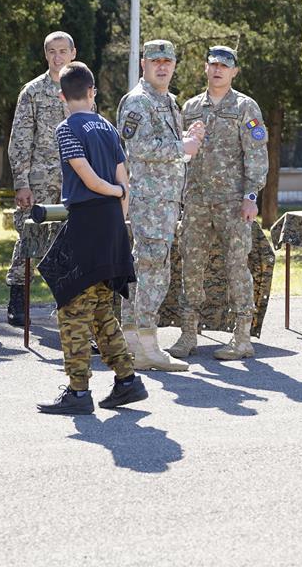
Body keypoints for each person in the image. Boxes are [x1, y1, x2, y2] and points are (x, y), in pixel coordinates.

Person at [36, 62, 146, 415]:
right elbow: (124, 180)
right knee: (99, 308)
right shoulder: (109, 128)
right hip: (112, 223)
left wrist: (114, 192)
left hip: (87, 220)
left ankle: (78, 391)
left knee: (72, 308)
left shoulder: (66, 128)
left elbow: (89, 178)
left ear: (62, 96)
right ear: (92, 92)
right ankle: (127, 380)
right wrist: (119, 211)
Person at [177, 46, 269, 359]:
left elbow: (256, 155)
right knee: (191, 265)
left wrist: (251, 197)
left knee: (236, 267)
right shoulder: (190, 107)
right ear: (206, 68)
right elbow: (181, 154)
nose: (218, 70)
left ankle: (242, 338)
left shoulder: (245, 107)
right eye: (213, 65)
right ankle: (188, 335)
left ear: (234, 72)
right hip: (197, 201)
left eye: (224, 66)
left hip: (233, 202)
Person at [116, 40, 203, 370]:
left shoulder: (168, 101)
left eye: (168, 61)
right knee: (152, 271)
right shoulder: (139, 100)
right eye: (156, 61)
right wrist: (184, 145)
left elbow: (169, 148)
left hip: (165, 200)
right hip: (150, 202)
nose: (162, 67)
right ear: (144, 64)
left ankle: (134, 343)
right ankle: (147, 346)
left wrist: (188, 141)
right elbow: (138, 146)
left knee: (144, 269)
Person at [5, 31, 76, 326]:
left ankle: (65, 302)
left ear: (73, 53)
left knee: (69, 242)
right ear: (46, 54)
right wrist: (21, 183)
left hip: (73, 181)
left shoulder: (82, 88)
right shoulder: (33, 91)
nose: (57, 57)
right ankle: (18, 299)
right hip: (39, 180)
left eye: (62, 51)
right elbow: (20, 140)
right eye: (51, 52)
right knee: (30, 237)